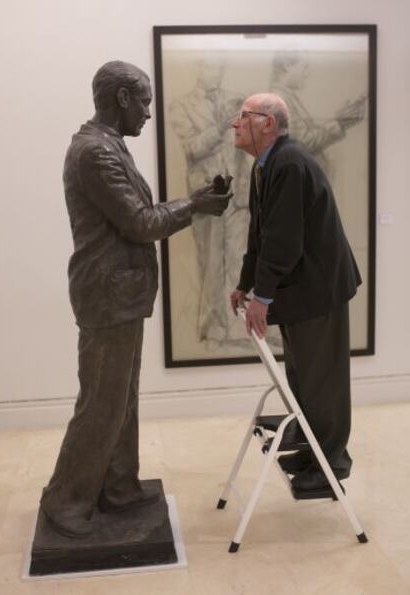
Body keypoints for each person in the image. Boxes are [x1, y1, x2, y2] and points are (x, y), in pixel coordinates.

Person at [40, 61, 232, 538]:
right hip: (107, 294)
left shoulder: (108, 147)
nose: (148, 112)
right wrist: (195, 204)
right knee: (102, 403)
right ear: (122, 99)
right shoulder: (95, 154)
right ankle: (66, 499)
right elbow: (141, 223)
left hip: (119, 291)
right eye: (144, 101)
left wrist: (195, 199)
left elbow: (139, 217)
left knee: (121, 397)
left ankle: (119, 485)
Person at [230, 92, 361, 493]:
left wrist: (263, 299)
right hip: (303, 291)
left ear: (268, 123)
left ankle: (331, 464)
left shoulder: (288, 164)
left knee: (322, 381)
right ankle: (313, 451)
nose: (235, 123)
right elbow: (262, 233)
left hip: (319, 290)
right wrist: (245, 283)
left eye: (244, 116)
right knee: (302, 377)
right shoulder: (265, 166)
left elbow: (285, 240)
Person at [169, 61, 255, 347]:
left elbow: (247, 147)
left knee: (239, 263)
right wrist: (220, 127)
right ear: (198, 70)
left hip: (239, 198)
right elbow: (193, 148)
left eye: (219, 67)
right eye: (209, 68)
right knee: (211, 266)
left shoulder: (236, 100)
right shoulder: (181, 106)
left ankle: (241, 326)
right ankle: (213, 330)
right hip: (207, 197)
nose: (216, 73)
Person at [270, 51, 366, 177]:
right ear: (287, 65)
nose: (307, 74)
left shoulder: (284, 98)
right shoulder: (280, 99)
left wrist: (339, 121)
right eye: (304, 67)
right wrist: (340, 123)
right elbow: (301, 143)